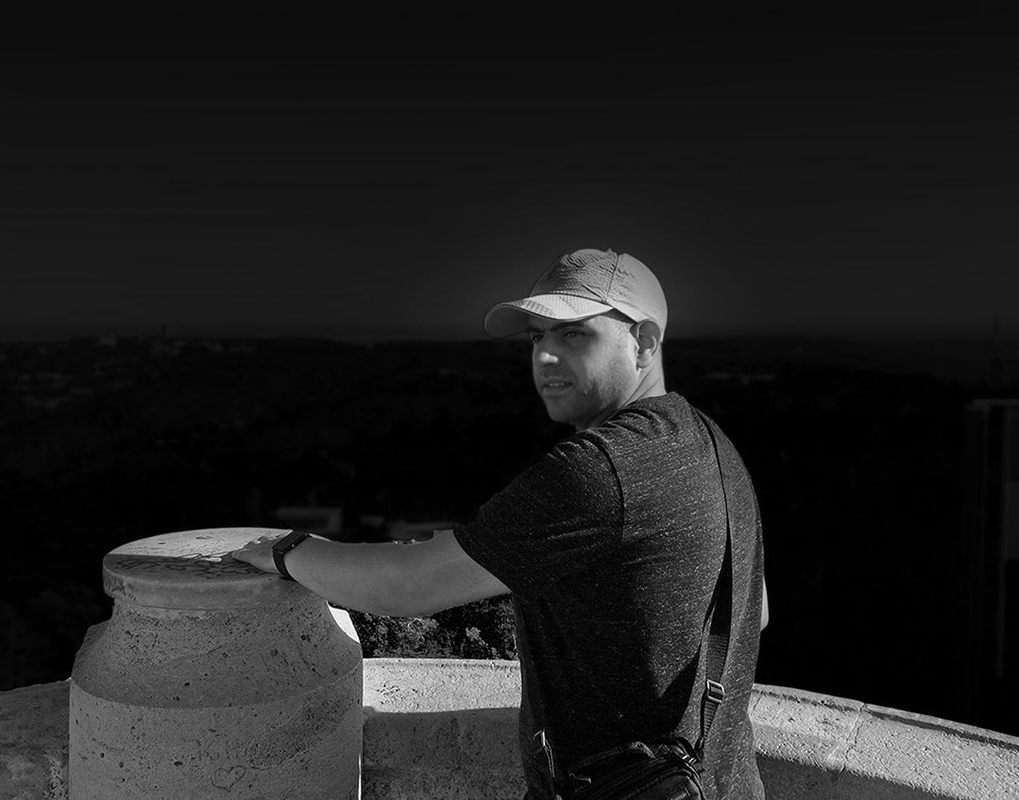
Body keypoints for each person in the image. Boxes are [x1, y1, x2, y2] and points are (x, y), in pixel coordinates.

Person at [234, 247, 768, 799]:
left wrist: (289, 551)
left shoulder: (601, 469)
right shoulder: (711, 443)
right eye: (537, 337)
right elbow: (756, 609)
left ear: (645, 342)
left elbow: (410, 585)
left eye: (574, 334)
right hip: (724, 781)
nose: (545, 357)